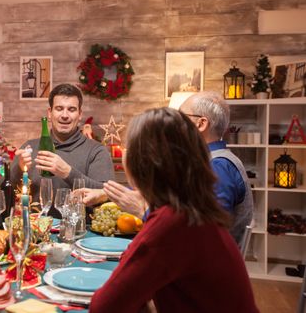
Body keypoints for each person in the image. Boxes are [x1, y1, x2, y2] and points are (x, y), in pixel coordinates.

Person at [90, 108, 258, 313]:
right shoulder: (193, 206)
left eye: (128, 150)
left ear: (141, 163)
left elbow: (104, 307)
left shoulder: (172, 223)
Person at [11, 84, 114, 218]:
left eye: (71, 109)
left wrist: (67, 172)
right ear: (50, 113)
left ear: (80, 114)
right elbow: (7, 192)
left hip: (80, 234)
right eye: (59, 109)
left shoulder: (96, 151)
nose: (65, 115)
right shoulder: (29, 147)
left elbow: (108, 194)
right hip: (36, 233)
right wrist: (19, 169)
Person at [179, 91, 253, 244]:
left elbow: (209, 234)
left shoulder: (217, 167)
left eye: (181, 118)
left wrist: (144, 211)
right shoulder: (210, 161)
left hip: (210, 265)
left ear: (201, 123)